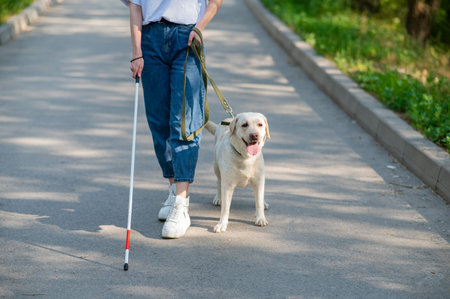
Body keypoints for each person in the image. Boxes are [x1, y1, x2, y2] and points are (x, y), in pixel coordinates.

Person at [122, 0, 223, 239]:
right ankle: (172, 187)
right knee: (158, 121)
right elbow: (135, 6)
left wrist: (199, 27)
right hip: (150, 39)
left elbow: (215, 2)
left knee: (184, 122)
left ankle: (181, 203)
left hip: (187, 35)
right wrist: (137, 52)